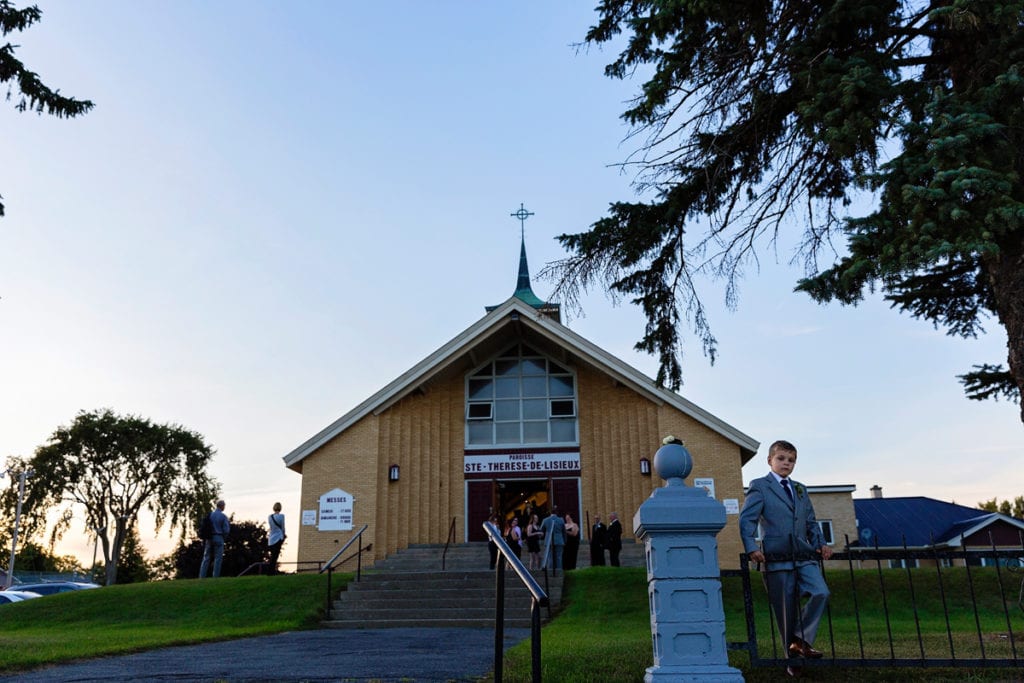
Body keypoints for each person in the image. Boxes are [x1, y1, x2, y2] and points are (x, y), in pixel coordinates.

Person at [739, 440, 832, 675]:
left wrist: (820, 544)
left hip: (803, 554)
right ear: (770, 460)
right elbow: (747, 519)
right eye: (781, 458)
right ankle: (793, 662)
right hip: (776, 557)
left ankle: (800, 639)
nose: (786, 463)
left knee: (821, 591)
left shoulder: (800, 488)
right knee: (786, 612)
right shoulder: (760, 486)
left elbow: (810, 521)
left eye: (791, 460)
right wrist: (751, 547)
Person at [199, 499, 230, 578]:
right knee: (218, 558)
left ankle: (202, 576)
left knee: (206, 557)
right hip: (219, 537)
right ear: (222, 506)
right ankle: (215, 576)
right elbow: (226, 530)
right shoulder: (223, 516)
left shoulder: (210, 515)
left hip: (209, 537)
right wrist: (224, 538)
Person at [540, 506, 566, 574]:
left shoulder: (545, 520)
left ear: (550, 512)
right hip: (559, 540)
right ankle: (559, 572)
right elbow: (564, 531)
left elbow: (541, 530)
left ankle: (550, 572)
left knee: (550, 558)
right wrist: (565, 540)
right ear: (557, 512)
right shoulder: (561, 520)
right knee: (559, 557)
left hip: (549, 541)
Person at [267, 502, 286, 575]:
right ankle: (271, 572)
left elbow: (271, 527)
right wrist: (283, 535)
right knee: (275, 556)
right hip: (278, 537)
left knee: (272, 556)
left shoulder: (270, 517)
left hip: (271, 539)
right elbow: (283, 527)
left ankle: (270, 571)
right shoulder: (282, 516)